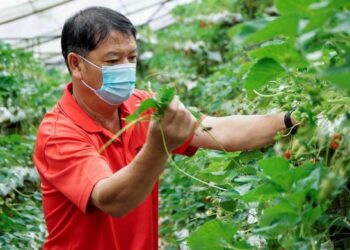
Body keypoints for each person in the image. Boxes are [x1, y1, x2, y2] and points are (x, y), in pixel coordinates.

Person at [33, 6, 297, 250]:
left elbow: (220, 131)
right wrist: (159, 148)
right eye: (113, 61)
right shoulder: (58, 134)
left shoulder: (141, 105)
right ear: (76, 65)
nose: (126, 69)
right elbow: (113, 200)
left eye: (132, 57)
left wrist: (289, 120)